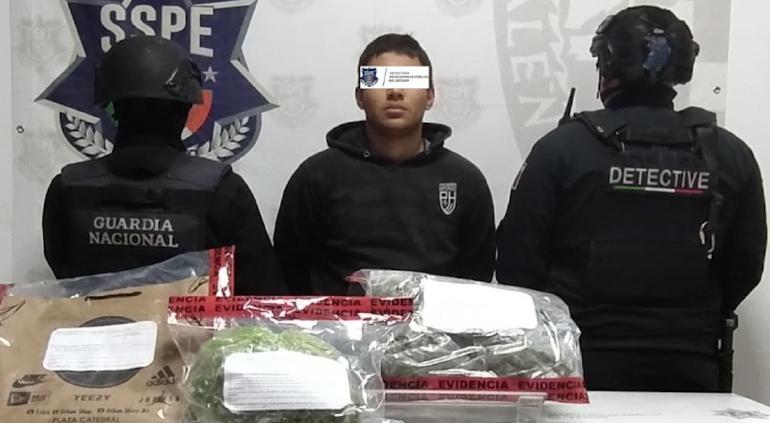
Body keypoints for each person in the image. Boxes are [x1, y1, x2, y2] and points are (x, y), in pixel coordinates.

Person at [496, 6, 766, 392]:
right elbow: (745, 265)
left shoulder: (561, 149)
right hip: (690, 365)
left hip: (577, 366)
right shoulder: (730, 154)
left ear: (607, 67)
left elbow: (516, 263)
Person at [42, 35, 285, 295]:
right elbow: (260, 293)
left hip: (91, 321)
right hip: (193, 324)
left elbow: (64, 270)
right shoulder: (223, 190)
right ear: (185, 108)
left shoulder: (67, 188)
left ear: (112, 108)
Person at [274, 33, 495, 295]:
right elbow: (289, 269)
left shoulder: (465, 180)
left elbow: (475, 278)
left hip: (437, 321)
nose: (395, 92)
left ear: (430, 96)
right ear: (360, 96)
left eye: (408, 81)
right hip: (337, 321)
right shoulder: (317, 176)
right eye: (379, 81)